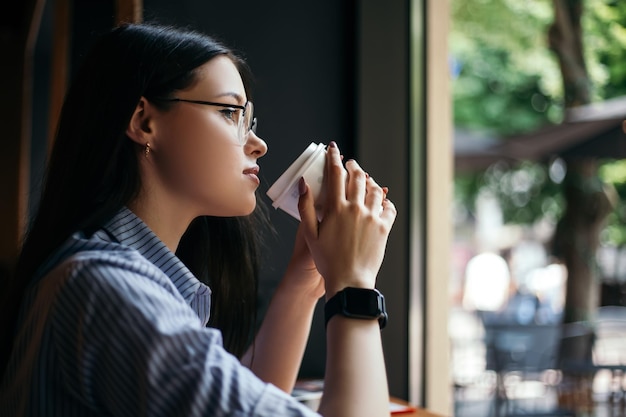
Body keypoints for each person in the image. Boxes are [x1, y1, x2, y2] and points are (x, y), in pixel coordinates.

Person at [0, 23, 397, 417]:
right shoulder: (108, 290)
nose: (258, 144)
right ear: (143, 122)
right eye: (229, 112)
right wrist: (354, 284)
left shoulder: (104, 278)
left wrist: (304, 281)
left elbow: (241, 400)